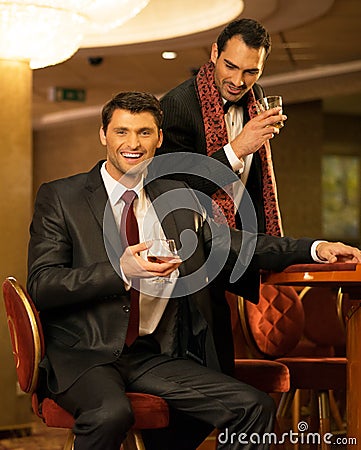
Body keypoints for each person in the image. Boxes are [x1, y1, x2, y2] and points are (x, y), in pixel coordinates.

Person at [27, 91, 361, 450]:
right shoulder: (62, 197)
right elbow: (43, 284)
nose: (133, 143)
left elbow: (243, 245)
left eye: (144, 132)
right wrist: (119, 271)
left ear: (159, 138)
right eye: (122, 131)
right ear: (103, 135)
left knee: (252, 407)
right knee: (112, 414)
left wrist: (315, 248)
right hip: (84, 354)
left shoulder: (177, 196)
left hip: (150, 355)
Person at [158, 18, 287, 373]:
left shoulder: (255, 99)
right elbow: (173, 192)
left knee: (225, 365)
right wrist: (236, 149)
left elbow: (254, 183)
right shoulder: (177, 105)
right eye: (230, 66)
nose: (238, 80)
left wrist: (267, 244)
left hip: (234, 248)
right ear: (214, 53)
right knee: (205, 367)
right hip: (190, 254)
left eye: (250, 71)